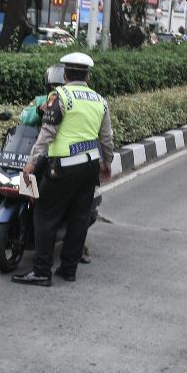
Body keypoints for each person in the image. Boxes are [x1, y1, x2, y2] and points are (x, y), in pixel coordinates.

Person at [12, 52, 114, 287]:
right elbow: (106, 137)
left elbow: (47, 132)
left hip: (63, 167)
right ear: (87, 75)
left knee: (44, 215)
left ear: (66, 74)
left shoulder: (60, 96)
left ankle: (41, 271)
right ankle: (68, 268)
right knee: (79, 217)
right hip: (89, 166)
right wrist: (107, 162)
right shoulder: (99, 99)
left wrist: (31, 162)